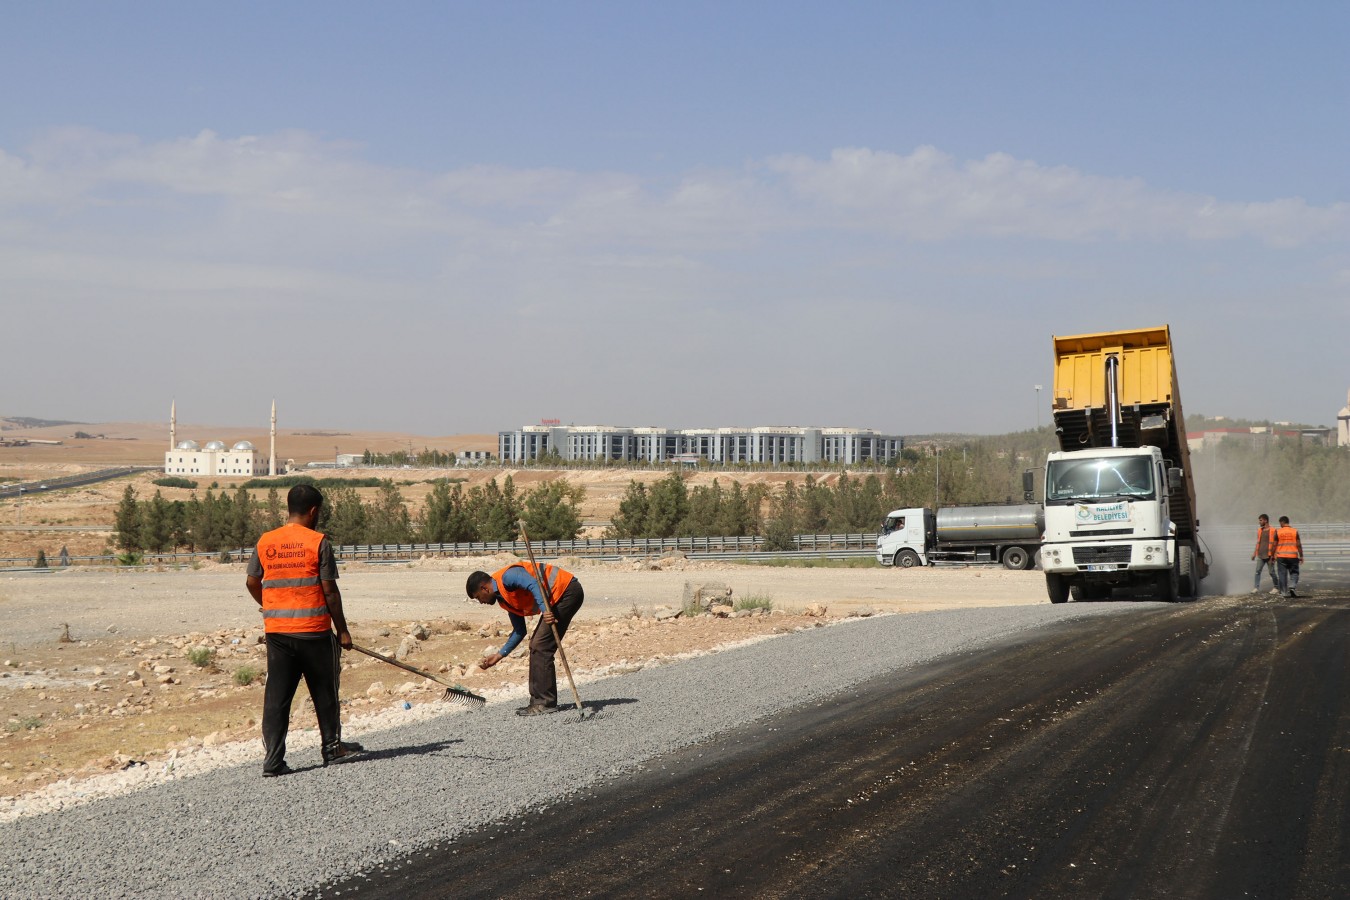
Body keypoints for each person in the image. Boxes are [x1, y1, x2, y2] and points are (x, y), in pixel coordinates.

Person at [245, 484, 362, 776]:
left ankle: (273, 761)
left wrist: (270, 604)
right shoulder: (318, 542)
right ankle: (332, 748)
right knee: (325, 692)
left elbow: (251, 582)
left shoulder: (266, 541)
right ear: (314, 511)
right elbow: (330, 591)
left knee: (277, 698)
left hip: (278, 633)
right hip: (314, 633)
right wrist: (343, 631)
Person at [466, 561, 584, 716]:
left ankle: (545, 703)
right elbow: (519, 631)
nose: (481, 602)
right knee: (536, 644)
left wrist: (545, 610)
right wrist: (500, 655)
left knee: (540, 645)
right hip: (557, 598)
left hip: (566, 591)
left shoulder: (508, 577)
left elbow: (534, 584)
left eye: (478, 597)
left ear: (484, 588)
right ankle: (537, 702)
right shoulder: (504, 599)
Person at [1271, 515, 1304, 599]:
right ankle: (1292, 586)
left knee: (1282, 574)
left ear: (1282, 522)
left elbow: (1274, 545)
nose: (1280, 525)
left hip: (1281, 556)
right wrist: (1301, 556)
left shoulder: (1278, 532)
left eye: (1280, 523)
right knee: (1294, 573)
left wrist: (1272, 556)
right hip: (1293, 556)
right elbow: (1299, 545)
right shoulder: (1294, 531)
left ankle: (1284, 592)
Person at [1251, 513, 1279, 594]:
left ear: (1265, 520)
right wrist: (1254, 553)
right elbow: (1258, 543)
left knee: (1271, 572)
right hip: (1260, 555)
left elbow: (1275, 544)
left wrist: (1274, 555)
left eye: (1260, 520)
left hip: (1269, 555)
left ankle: (1276, 587)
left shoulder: (1273, 530)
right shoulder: (1260, 530)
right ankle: (1256, 587)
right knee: (1257, 571)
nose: (1259, 522)